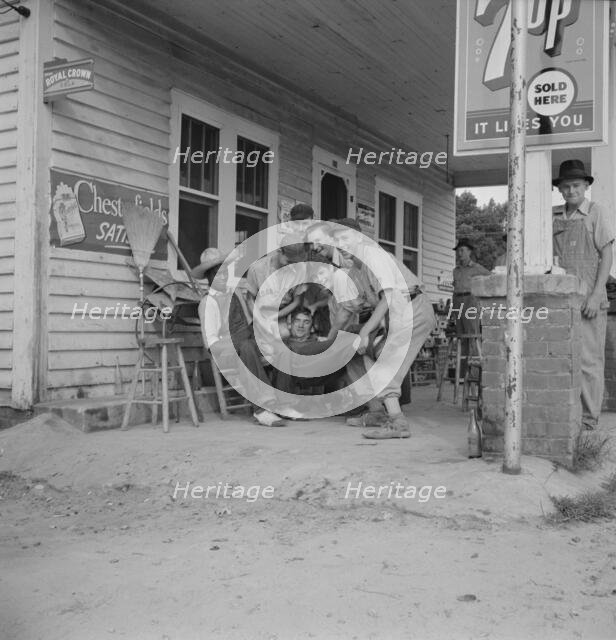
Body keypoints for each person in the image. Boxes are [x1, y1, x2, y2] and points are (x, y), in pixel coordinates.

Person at [331, 218, 437, 438]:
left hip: (412, 308)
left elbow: (388, 298)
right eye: (338, 242)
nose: (343, 247)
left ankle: (398, 424)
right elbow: (347, 310)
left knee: (386, 362)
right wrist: (329, 339)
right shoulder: (356, 272)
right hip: (395, 316)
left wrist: (364, 331)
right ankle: (377, 412)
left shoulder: (374, 256)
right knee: (352, 350)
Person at [552, 159, 615, 430]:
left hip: (589, 298)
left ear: (586, 186)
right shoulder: (553, 216)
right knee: (560, 357)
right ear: (560, 189)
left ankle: (589, 420)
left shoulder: (596, 212)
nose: (571, 191)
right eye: (565, 186)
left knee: (589, 361)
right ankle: (567, 416)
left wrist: (596, 293)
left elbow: (607, 254)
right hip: (561, 299)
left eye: (576, 185)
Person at [194, 248, 286, 427]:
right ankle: (262, 409)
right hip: (223, 350)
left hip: (244, 342)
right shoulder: (208, 303)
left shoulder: (234, 295)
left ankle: (283, 402)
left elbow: (248, 324)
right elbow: (210, 343)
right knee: (247, 348)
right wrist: (239, 342)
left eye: (225, 273)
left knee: (280, 346)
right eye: (217, 274)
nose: (223, 277)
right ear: (209, 278)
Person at [452, 239, 490, 363]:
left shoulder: (477, 268)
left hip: (471, 301)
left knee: (472, 335)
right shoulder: (456, 270)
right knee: (460, 336)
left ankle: (473, 371)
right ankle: (462, 374)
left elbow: (491, 277)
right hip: (457, 300)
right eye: (458, 251)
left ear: (469, 252)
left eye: (462, 250)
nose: (459, 253)